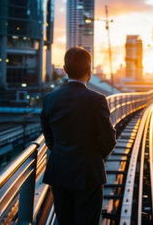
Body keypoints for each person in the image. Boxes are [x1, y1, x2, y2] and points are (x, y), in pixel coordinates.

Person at [40, 47, 117, 224]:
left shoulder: (50, 99)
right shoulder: (97, 99)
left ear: (65, 70)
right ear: (89, 70)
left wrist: (63, 152)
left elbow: (49, 136)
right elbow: (109, 139)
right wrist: (94, 157)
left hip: (59, 171)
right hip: (89, 172)